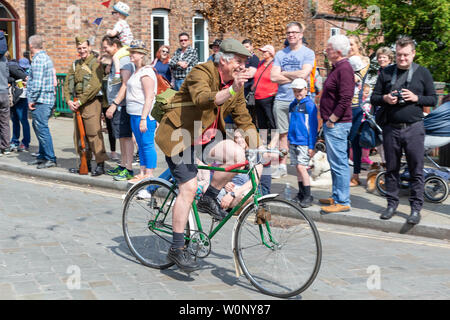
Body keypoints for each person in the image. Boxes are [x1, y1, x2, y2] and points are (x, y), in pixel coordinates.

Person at [154, 39, 260, 272]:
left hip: (204, 137)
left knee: (237, 155)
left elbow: (243, 118)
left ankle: (209, 197)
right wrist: (232, 89)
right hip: (179, 137)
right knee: (188, 187)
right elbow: (203, 99)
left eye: (245, 63)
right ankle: (177, 247)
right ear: (223, 60)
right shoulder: (201, 71)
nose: (242, 67)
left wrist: (257, 146)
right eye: (239, 62)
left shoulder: (235, 85)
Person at [371, 36, 438, 225]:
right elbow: (373, 98)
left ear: (413, 54)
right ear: (395, 54)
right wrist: (385, 98)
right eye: (399, 55)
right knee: (391, 169)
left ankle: (416, 209)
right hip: (391, 128)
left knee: (416, 170)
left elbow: (433, 99)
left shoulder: (423, 73)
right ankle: (391, 205)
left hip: (414, 128)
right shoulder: (386, 73)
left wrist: (416, 98)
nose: (402, 59)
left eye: (406, 55)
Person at [270, 21, 315, 179]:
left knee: (302, 132)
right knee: (283, 134)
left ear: (301, 34)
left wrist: (285, 72)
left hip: (300, 100)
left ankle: (302, 163)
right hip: (282, 99)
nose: (291, 35)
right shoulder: (280, 54)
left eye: (294, 32)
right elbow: (273, 76)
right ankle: (282, 165)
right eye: (289, 32)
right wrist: (294, 75)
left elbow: (304, 75)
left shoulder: (308, 53)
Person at [318, 34, 354, 214]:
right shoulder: (337, 67)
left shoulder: (344, 69)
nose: (326, 51)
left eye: (329, 48)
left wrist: (332, 119)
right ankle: (337, 195)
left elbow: (346, 98)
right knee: (334, 162)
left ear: (338, 52)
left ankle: (343, 200)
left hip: (337, 124)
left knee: (339, 162)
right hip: (333, 123)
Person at [64, 36, 108, 176]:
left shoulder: (95, 64)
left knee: (93, 133)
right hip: (78, 103)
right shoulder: (75, 64)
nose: (82, 50)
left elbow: (95, 85)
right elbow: (67, 83)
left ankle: (100, 164)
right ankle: (85, 163)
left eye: (84, 47)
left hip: (91, 102)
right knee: (79, 135)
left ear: (89, 48)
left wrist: (80, 101)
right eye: (79, 48)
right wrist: (68, 100)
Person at [102, 35, 135, 181]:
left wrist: (114, 104)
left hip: (122, 105)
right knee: (121, 136)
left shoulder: (124, 60)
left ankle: (129, 168)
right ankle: (122, 165)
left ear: (115, 45)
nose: (105, 50)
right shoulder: (117, 60)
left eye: (106, 47)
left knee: (126, 137)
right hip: (117, 105)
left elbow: (125, 84)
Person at [126, 40, 158, 184]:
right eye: (131, 52)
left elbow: (149, 96)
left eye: (134, 52)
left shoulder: (146, 72)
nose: (130, 54)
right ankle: (142, 172)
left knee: (147, 144)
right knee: (140, 143)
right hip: (134, 114)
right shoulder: (136, 71)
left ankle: (149, 174)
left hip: (143, 115)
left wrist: (144, 118)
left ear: (141, 55)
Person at [26, 34, 57, 169]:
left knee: (42, 128)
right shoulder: (45, 57)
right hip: (45, 99)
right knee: (38, 127)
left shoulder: (38, 60)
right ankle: (42, 156)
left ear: (31, 46)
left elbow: (37, 83)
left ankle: (50, 158)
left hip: (41, 100)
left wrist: (31, 99)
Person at [288, 78, 318, 208]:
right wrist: (289, 139)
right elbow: (291, 124)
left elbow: (313, 126)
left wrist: (312, 146)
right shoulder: (292, 105)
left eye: (300, 91)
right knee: (297, 168)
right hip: (293, 141)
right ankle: (301, 193)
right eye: (295, 91)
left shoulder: (309, 105)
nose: (297, 93)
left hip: (304, 142)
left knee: (302, 167)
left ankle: (307, 195)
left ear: (306, 90)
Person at [348, 54, 370, 187]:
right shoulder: (346, 63)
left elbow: (366, 62)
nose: (350, 47)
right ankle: (344, 173)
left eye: (352, 44)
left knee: (354, 142)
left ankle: (355, 175)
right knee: (344, 142)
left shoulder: (362, 64)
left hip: (356, 109)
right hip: (344, 108)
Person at [372, 47, 395, 164]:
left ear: (390, 59)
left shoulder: (391, 72)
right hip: (379, 108)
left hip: (388, 108)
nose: (381, 59)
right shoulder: (380, 71)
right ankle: (385, 162)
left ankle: (388, 163)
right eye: (379, 57)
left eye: (384, 57)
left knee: (386, 138)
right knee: (380, 138)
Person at [6, 52, 30, 152]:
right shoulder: (7, 66)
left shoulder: (12, 66)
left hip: (20, 97)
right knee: (15, 120)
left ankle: (25, 143)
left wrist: (14, 82)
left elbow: (25, 77)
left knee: (23, 120)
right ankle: (14, 141)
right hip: (13, 97)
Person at [106, 1, 133, 86]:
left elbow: (113, 33)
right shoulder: (124, 23)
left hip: (126, 46)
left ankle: (117, 76)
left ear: (118, 14)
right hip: (127, 46)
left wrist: (108, 32)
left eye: (113, 12)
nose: (112, 14)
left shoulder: (120, 23)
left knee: (116, 56)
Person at [253, 45, 278, 133]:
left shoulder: (275, 65)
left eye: (265, 52)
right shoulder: (260, 63)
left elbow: (279, 78)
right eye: (262, 51)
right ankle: (263, 141)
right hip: (258, 97)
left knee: (271, 121)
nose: (262, 53)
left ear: (271, 53)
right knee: (261, 121)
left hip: (268, 97)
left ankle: (274, 141)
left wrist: (277, 92)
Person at [242, 39, 260, 125]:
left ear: (252, 47)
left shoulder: (254, 59)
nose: (245, 49)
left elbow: (250, 74)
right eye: (243, 47)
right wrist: (246, 69)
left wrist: (241, 70)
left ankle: (253, 130)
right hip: (242, 89)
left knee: (251, 112)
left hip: (250, 90)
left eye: (247, 47)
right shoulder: (242, 58)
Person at [0, 51, 9, 155]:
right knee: (5, 121)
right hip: (4, 92)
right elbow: (7, 74)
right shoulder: (4, 59)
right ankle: (6, 147)